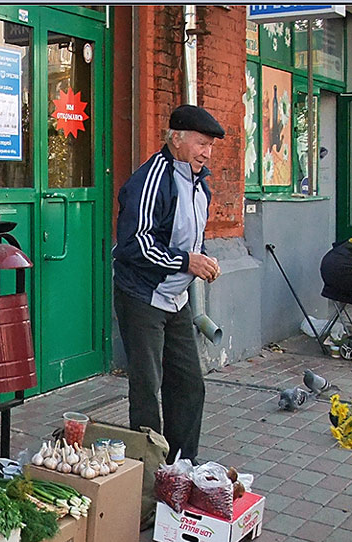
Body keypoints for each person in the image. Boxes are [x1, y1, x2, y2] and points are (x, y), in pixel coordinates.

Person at [111, 104, 224, 462]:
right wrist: (187, 261)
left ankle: (181, 468)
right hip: (141, 298)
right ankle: (147, 477)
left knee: (190, 385)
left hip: (176, 299)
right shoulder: (150, 179)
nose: (206, 154)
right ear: (176, 139)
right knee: (147, 391)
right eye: (200, 144)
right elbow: (134, 244)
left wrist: (202, 258)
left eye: (210, 147)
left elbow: (193, 236)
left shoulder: (200, 184)